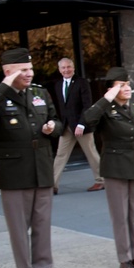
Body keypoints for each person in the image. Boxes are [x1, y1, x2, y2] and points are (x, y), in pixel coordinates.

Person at [0, 48, 65, 268]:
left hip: (41, 167)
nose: (29, 74)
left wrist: (54, 127)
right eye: (23, 70)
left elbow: (58, 121)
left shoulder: (40, 93)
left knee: (42, 224)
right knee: (19, 229)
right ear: (8, 72)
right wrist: (4, 87)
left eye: (30, 69)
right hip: (14, 171)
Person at [84, 66, 134, 268]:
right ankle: (124, 258)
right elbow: (87, 121)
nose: (127, 88)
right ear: (110, 90)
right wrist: (106, 99)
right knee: (120, 216)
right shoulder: (104, 110)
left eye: (128, 84)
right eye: (121, 85)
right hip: (115, 167)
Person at [50, 57, 103, 194]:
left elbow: (87, 105)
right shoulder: (57, 85)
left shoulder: (82, 83)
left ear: (73, 68)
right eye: (63, 67)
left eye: (69, 67)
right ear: (59, 70)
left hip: (81, 126)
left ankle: (100, 181)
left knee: (91, 152)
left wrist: (81, 124)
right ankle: (52, 185)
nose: (66, 70)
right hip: (66, 126)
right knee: (60, 155)